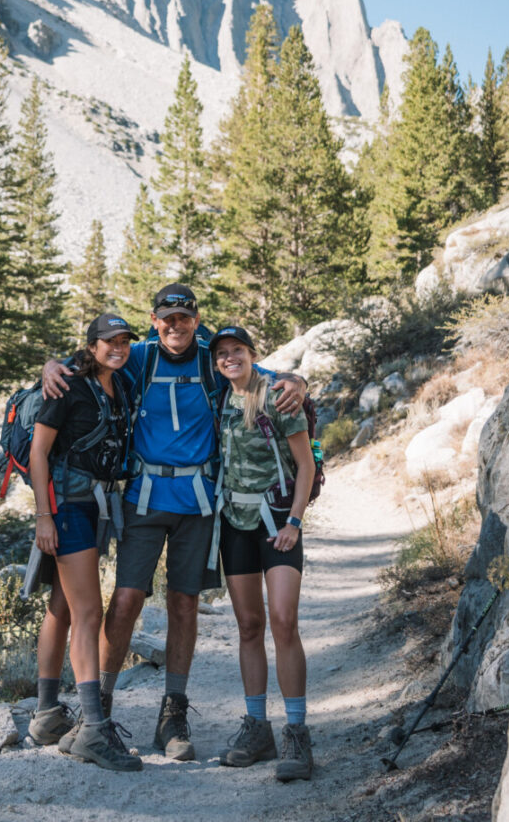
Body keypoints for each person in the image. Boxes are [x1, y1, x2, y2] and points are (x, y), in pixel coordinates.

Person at [43, 284, 307, 761]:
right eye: (168, 317)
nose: (176, 326)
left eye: (184, 318)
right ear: (154, 318)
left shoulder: (211, 358)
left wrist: (296, 380)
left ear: (195, 320)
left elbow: (256, 373)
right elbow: (90, 361)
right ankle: (96, 711)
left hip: (199, 500)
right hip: (144, 498)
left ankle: (173, 715)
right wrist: (51, 366)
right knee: (124, 602)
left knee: (184, 605)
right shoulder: (140, 357)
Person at [26, 313, 142, 772]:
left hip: (95, 507)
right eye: (109, 341)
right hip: (67, 508)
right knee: (89, 612)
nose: (118, 347)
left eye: (124, 341)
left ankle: (48, 714)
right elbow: (38, 452)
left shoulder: (121, 383)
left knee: (61, 606)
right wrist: (44, 516)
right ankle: (92, 728)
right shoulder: (67, 386)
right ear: (91, 345)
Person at [208, 325, 316, 782]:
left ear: (253, 354)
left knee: (283, 621)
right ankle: (257, 727)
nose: (230, 359)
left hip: (277, 522)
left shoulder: (277, 396)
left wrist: (294, 522)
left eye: (238, 351)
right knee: (249, 626)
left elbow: (306, 464)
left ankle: (297, 731)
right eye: (222, 354)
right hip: (235, 524)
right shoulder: (220, 398)